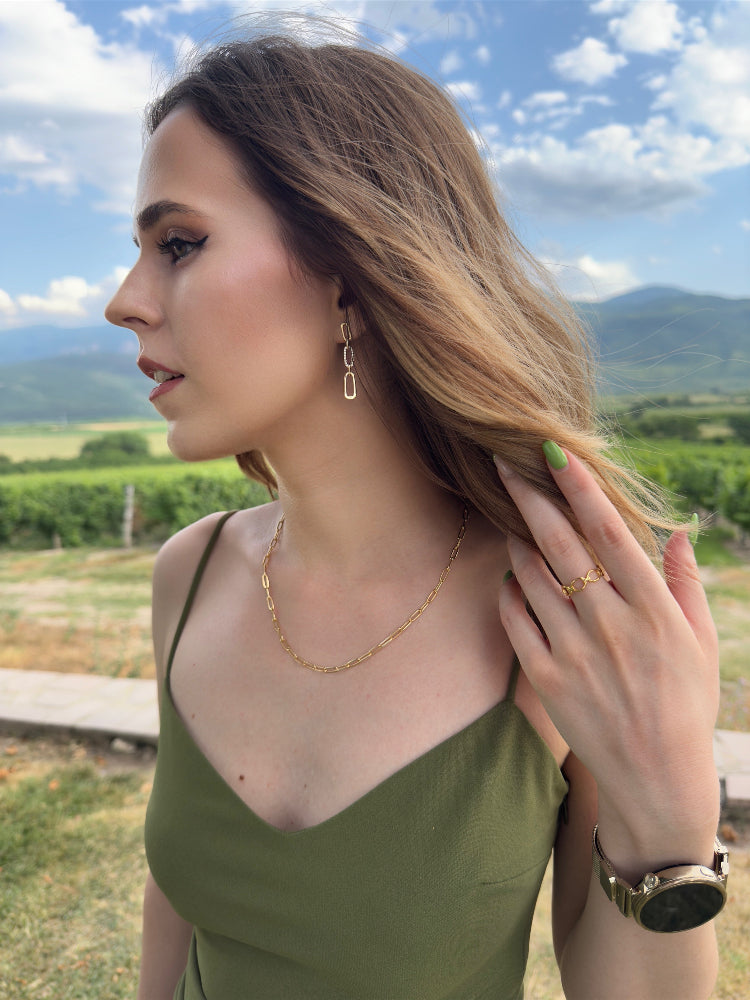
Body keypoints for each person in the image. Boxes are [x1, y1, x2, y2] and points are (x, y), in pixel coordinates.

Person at [105, 28, 727, 1000]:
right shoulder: (189, 574)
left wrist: (671, 820)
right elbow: (176, 904)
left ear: (348, 275)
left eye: (178, 243)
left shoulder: (562, 615)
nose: (124, 301)